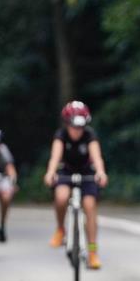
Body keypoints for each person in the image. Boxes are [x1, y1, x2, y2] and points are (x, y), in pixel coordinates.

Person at [42, 101, 109, 269]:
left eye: (80, 127)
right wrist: (51, 172)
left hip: (87, 172)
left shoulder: (90, 135)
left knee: (89, 206)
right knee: (61, 197)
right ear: (66, 124)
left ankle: (93, 251)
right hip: (66, 171)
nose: (77, 131)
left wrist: (100, 172)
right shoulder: (61, 135)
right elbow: (55, 157)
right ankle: (60, 230)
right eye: (73, 127)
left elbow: (97, 156)